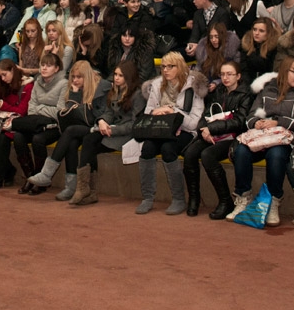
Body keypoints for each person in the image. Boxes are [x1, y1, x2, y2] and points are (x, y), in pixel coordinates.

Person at [227, 56, 294, 224]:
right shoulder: (267, 89)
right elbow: (250, 116)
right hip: (261, 138)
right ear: (283, 71)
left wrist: (277, 122)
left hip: (284, 140)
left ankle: (274, 201)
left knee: (276, 156)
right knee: (241, 152)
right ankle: (244, 197)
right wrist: (256, 122)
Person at [134, 51, 209, 215]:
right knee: (147, 149)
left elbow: (194, 122)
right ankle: (147, 198)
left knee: (168, 149)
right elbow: (148, 112)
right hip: (160, 128)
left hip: (185, 130)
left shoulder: (193, 86)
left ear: (180, 67)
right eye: (163, 67)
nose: (165, 70)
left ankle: (179, 199)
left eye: (170, 66)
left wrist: (173, 113)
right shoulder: (157, 84)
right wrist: (158, 111)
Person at [25, 61, 108, 200]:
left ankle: (47, 174)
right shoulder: (74, 88)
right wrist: (75, 94)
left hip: (96, 126)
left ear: (86, 76)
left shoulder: (101, 87)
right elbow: (69, 113)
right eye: (73, 77)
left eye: (78, 77)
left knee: (69, 131)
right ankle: (70, 187)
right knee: (71, 142)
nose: (75, 80)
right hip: (79, 127)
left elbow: (101, 113)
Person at [182, 60, 254, 218]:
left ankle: (225, 201)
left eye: (230, 74)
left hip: (234, 136)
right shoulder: (218, 91)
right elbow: (205, 114)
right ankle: (194, 198)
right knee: (190, 154)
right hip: (212, 133)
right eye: (222, 74)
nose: (226, 78)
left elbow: (239, 121)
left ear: (238, 76)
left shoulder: (245, 94)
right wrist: (203, 130)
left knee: (208, 155)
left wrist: (211, 128)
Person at [69, 60, 145, 206]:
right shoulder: (114, 91)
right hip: (111, 130)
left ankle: (87, 190)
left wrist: (112, 129)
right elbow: (108, 112)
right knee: (89, 140)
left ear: (128, 77)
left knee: (91, 143)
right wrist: (102, 121)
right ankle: (85, 189)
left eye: (120, 75)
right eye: (115, 74)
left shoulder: (137, 95)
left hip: (125, 135)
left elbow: (135, 125)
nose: (116, 78)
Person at [0, 53, 66, 195]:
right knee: (18, 136)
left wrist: (40, 109)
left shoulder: (64, 84)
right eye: (42, 65)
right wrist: (42, 110)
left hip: (54, 125)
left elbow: (60, 112)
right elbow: (30, 109)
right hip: (35, 123)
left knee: (38, 139)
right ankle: (30, 178)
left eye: (49, 65)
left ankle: (40, 180)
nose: (44, 68)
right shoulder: (37, 82)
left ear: (57, 68)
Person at [0, 59, 34, 189]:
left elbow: (22, 111)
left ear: (13, 71)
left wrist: (4, 105)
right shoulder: (3, 85)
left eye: (5, 74)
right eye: (0, 75)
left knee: (4, 138)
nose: (2, 79)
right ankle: (8, 170)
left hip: (18, 123)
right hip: (4, 121)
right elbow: (1, 101)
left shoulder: (27, 85)